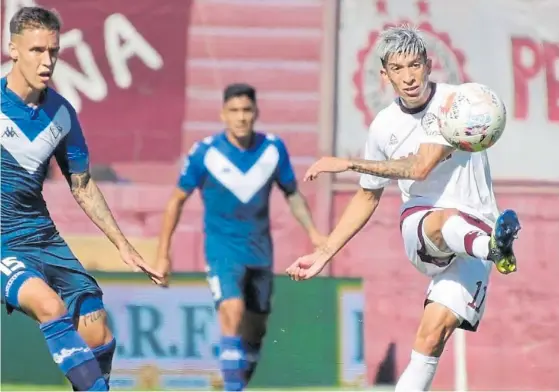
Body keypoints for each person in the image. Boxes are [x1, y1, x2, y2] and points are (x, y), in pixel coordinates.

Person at [286, 25, 520, 391]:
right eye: (398, 69)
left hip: (477, 231)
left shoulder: (457, 105)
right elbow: (368, 196)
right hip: (423, 225)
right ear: (385, 74)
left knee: (431, 338)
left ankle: (492, 247)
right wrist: (324, 252)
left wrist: (348, 163)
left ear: (429, 65)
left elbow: (419, 165)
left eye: (415, 65)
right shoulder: (383, 127)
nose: (409, 77)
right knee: (445, 220)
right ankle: (495, 246)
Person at [0, 7, 163, 391]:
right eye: (37, 50)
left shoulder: (62, 113)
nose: (47, 61)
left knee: (96, 331)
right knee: (50, 307)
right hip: (3, 239)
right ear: (13, 50)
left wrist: (123, 245)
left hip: (43, 238)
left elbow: (83, 184)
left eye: (53, 51)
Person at [156, 83, 326, 391]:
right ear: (223, 114)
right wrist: (162, 254)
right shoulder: (205, 153)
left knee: (255, 330)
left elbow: (293, 195)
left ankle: (236, 384)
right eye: (234, 111)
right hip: (222, 249)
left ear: (256, 113)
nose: (241, 117)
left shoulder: (273, 149)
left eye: (247, 110)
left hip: (260, 252)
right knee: (232, 310)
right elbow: (175, 201)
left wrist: (314, 234)